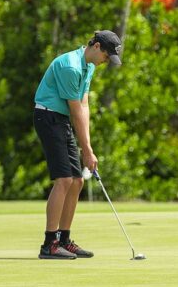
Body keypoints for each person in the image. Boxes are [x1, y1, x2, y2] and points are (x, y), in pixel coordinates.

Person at [33, 29, 122, 259]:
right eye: (106, 55)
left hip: (61, 119)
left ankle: (64, 239)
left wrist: (88, 147)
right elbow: (75, 111)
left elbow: (84, 106)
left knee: (78, 181)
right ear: (96, 47)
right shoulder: (70, 67)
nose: (105, 61)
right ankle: (49, 244)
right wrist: (87, 151)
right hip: (48, 116)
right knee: (63, 180)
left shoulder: (89, 67)